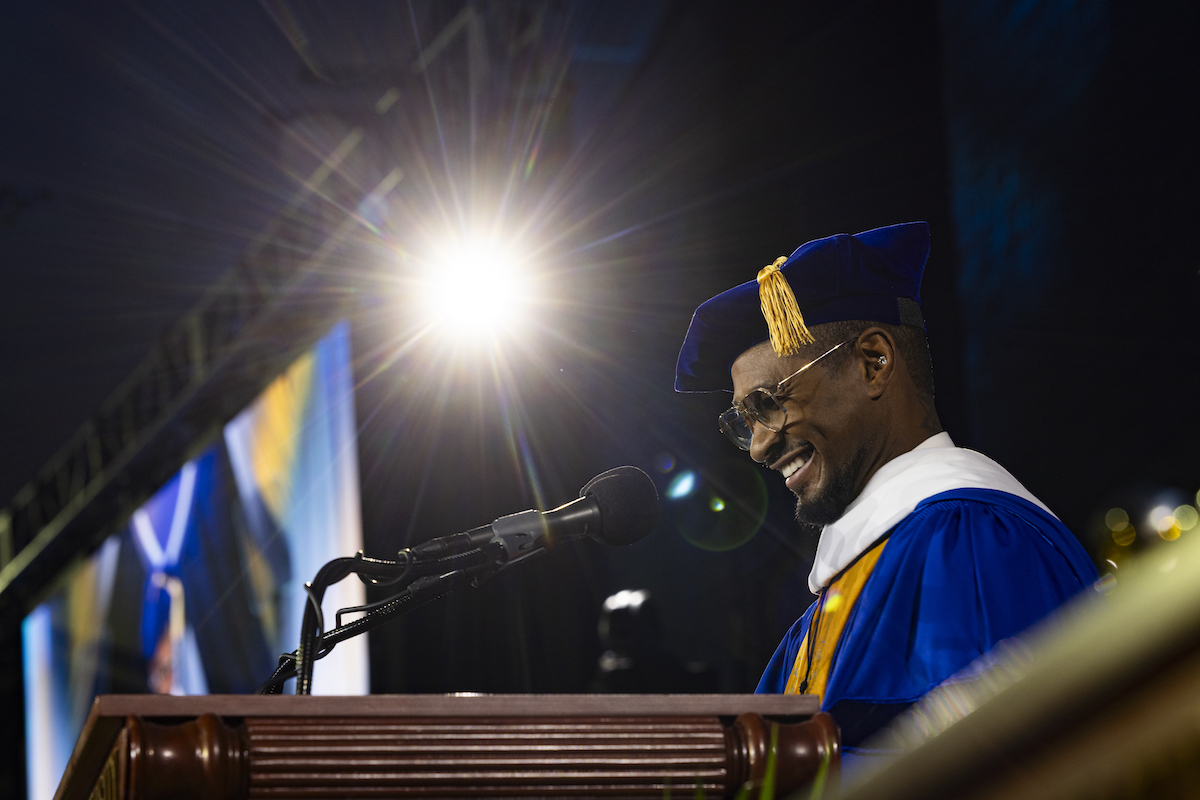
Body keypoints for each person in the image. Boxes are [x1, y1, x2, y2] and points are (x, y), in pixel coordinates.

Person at [674, 221, 1097, 756]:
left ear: (874, 362)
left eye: (767, 403)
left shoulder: (969, 541)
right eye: (743, 420)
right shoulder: (847, 588)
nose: (758, 446)